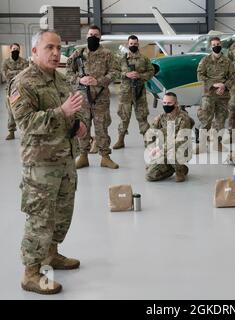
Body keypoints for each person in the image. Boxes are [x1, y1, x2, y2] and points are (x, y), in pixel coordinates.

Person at [9, 30, 87, 294]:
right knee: (40, 219)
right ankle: (30, 273)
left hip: (65, 159)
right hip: (41, 165)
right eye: (49, 48)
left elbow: (73, 111)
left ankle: (51, 254)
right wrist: (61, 112)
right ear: (34, 51)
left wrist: (79, 124)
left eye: (59, 48)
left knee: (62, 214)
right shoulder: (23, 83)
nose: (56, 53)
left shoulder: (60, 80)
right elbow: (26, 123)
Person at [66, 25, 120, 169]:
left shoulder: (107, 54)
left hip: (101, 98)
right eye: (90, 34)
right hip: (82, 98)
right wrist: (79, 80)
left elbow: (115, 72)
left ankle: (105, 157)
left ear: (100, 37)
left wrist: (99, 81)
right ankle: (83, 156)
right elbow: (68, 72)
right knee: (83, 126)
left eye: (96, 35)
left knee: (102, 127)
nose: (93, 37)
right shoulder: (79, 53)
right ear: (87, 36)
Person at [113, 35, 155, 149]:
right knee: (124, 117)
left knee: (142, 117)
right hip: (125, 93)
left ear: (138, 44)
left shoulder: (144, 59)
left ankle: (147, 141)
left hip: (139, 92)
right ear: (128, 44)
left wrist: (140, 75)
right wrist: (125, 74)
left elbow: (151, 71)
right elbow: (114, 72)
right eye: (131, 44)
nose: (133, 46)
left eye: (135, 44)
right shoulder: (121, 59)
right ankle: (120, 140)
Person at [196, 36, 235, 153]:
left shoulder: (227, 61)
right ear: (210, 46)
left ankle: (217, 143)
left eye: (218, 44)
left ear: (221, 45)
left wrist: (224, 85)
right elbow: (200, 76)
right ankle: (202, 144)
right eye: (214, 45)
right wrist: (214, 84)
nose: (216, 46)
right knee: (206, 119)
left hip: (223, 95)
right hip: (209, 94)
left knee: (220, 120)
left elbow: (232, 77)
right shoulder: (205, 60)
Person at [145, 92, 194, 182]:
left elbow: (180, 140)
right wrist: (151, 149)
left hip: (181, 150)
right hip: (165, 150)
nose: (166, 105)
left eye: (169, 103)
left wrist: (161, 149)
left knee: (171, 153)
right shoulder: (161, 117)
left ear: (176, 104)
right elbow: (150, 134)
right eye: (164, 103)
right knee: (150, 175)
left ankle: (180, 171)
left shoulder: (183, 118)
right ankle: (174, 168)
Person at [1, 43, 29, 140]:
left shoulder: (24, 61)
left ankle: (25, 131)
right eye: (13, 49)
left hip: (22, 89)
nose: (15, 50)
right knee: (10, 111)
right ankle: (11, 132)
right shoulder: (5, 62)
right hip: (10, 90)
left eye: (17, 49)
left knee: (24, 110)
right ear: (10, 50)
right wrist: (19, 72)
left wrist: (12, 72)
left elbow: (26, 74)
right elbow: (5, 75)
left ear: (19, 50)